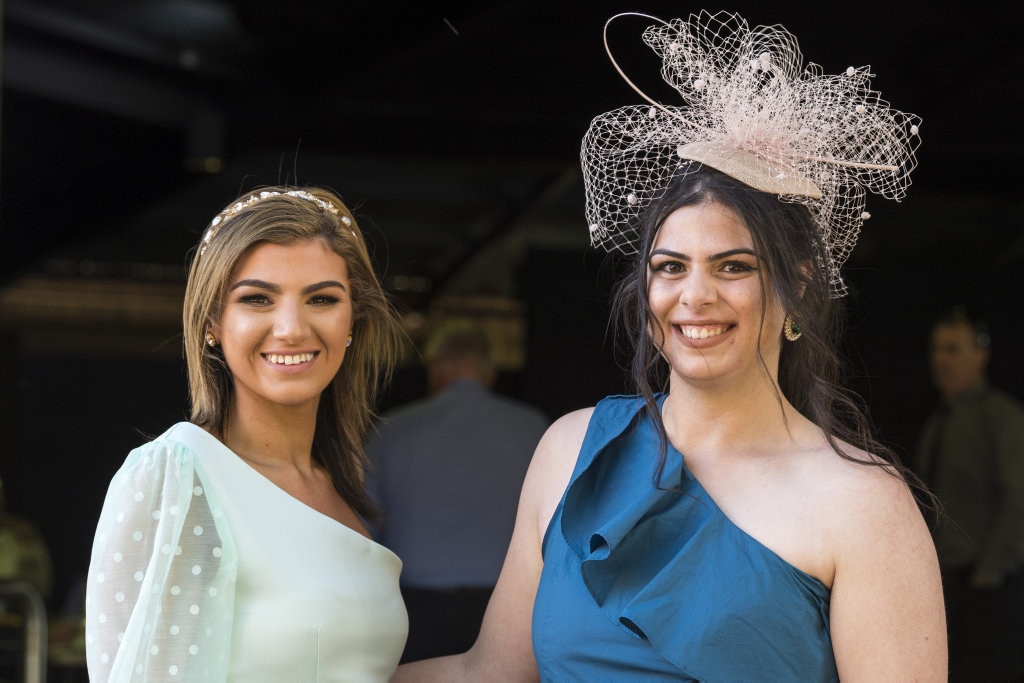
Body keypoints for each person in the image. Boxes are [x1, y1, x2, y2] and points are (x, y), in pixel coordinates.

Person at [395, 11, 946, 680]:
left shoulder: (864, 503)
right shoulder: (570, 452)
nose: (695, 294)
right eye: (670, 266)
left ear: (798, 290)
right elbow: (487, 673)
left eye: (734, 266)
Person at [84, 186, 408, 681]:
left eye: (321, 298)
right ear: (213, 320)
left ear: (352, 320)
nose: (291, 328)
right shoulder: (176, 472)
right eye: (258, 299)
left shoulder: (336, 486)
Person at [365, 320, 549, 662]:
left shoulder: (393, 429)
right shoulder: (534, 427)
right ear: (489, 371)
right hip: (510, 607)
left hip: (413, 608)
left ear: (435, 368)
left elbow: (363, 529)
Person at [915, 306, 1024, 681]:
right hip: (946, 590)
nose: (941, 360)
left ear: (981, 353)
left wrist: (988, 574)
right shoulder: (936, 423)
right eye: (936, 349)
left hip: (987, 593)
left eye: (953, 349)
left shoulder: (1002, 418)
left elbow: (1019, 500)